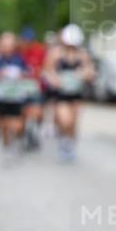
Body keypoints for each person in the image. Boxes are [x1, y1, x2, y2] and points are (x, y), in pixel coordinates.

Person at [43, 23, 94, 162]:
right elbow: (47, 71)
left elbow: (90, 71)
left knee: (73, 122)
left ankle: (70, 144)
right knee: (65, 120)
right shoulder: (56, 53)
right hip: (61, 94)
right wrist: (55, 79)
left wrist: (84, 74)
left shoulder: (82, 55)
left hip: (76, 94)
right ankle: (63, 139)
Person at [0, 31, 32, 158]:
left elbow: (28, 74)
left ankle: (16, 141)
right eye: (4, 45)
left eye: (9, 45)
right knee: (4, 124)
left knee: (17, 123)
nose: (7, 48)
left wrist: (21, 75)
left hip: (17, 97)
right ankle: (6, 145)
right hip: (2, 97)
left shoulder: (20, 59)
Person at [20, 27, 47, 150]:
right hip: (22, 88)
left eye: (29, 40)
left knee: (37, 112)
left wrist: (38, 72)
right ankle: (26, 134)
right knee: (24, 112)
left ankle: (34, 131)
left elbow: (45, 67)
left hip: (36, 87)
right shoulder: (19, 51)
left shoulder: (39, 51)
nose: (27, 42)